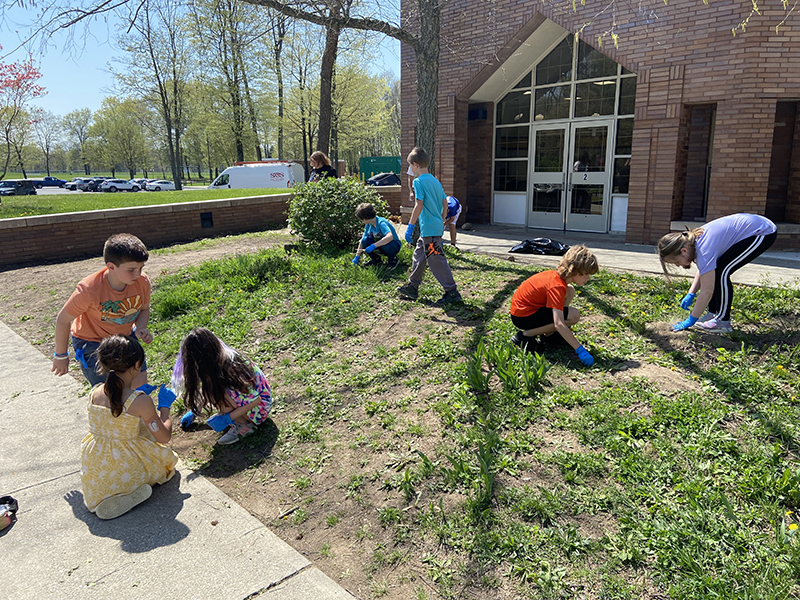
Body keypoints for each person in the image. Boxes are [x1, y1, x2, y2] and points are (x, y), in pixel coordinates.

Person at [81, 335, 178, 520]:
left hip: (96, 465)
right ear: (137, 365)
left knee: (107, 479)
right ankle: (130, 491)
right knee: (167, 465)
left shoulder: (95, 392)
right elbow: (163, 437)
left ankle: (108, 495)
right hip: (126, 461)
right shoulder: (140, 401)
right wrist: (164, 408)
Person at [52, 233, 152, 389]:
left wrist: (141, 328)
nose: (138, 274)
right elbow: (63, 320)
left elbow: (144, 309)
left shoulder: (142, 282)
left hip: (124, 336)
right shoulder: (89, 290)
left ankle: (136, 411)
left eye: (141, 268)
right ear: (111, 267)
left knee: (139, 385)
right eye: (131, 269)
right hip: (92, 342)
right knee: (107, 393)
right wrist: (60, 355)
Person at [660, 213, 778, 333]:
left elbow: (707, 291)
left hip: (762, 231)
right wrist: (691, 293)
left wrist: (691, 320)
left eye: (675, 261)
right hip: (753, 227)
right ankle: (712, 314)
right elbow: (705, 270)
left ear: (684, 251)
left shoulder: (703, 250)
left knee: (721, 272)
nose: (678, 265)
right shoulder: (693, 244)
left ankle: (722, 321)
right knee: (716, 271)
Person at [175, 327, 273, 446]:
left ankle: (244, 425)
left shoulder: (231, 369)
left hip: (260, 407)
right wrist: (194, 412)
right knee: (213, 390)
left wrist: (228, 417)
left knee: (218, 394)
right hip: (249, 401)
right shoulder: (217, 363)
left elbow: (255, 400)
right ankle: (238, 418)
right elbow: (208, 389)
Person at [509, 245, 599, 366]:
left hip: (524, 311)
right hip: (523, 317)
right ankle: (525, 335)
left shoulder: (557, 278)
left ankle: (549, 335)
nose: (588, 278)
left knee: (570, 290)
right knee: (573, 316)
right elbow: (559, 323)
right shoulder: (557, 286)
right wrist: (580, 349)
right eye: (586, 274)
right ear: (574, 271)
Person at [398, 147, 462, 305]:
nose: (411, 170)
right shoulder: (435, 180)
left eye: (411, 167)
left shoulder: (418, 182)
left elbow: (419, 205)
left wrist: (410, 226)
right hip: (434, 228)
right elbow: (445, 203)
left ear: (415, 165)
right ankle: (413, 287)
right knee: (419, 256)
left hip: (429, 229)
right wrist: (441, 220)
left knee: (436, 259)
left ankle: (451, 291)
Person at [352, 202, 401, 269]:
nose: (361, 221)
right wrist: (357, 256)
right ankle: (376, 260)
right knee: (365, 240)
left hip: (393, 245)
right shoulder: (368, 225)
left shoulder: (381, 223)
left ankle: (393, 260)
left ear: (365, 218)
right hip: (380, 245)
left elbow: (390, 237)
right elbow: (363, 240)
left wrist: (373, 246)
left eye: (361, 219)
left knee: (385, 245)